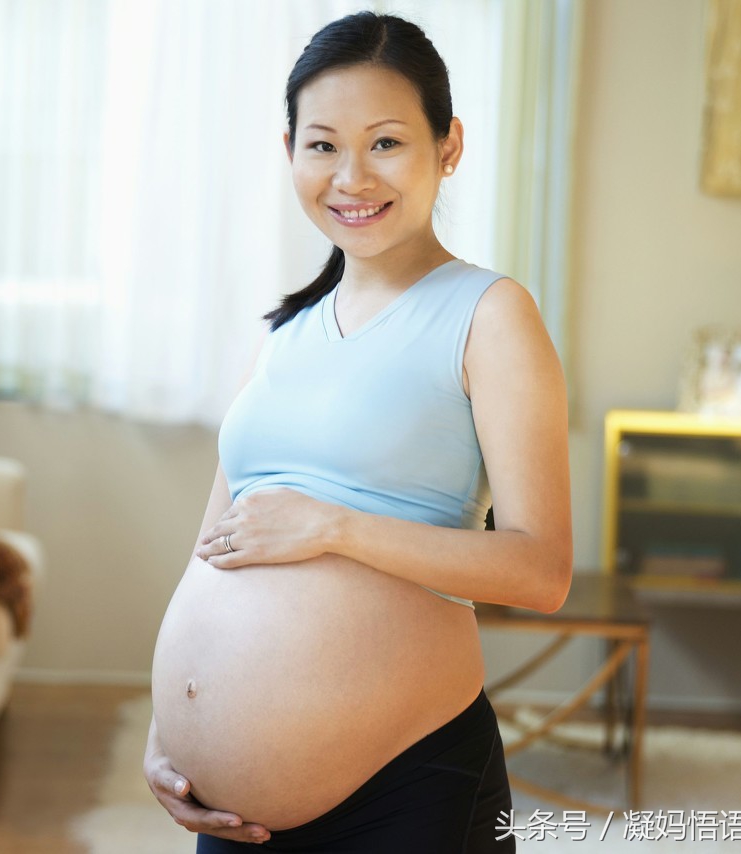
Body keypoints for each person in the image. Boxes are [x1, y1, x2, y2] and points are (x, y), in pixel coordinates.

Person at [143, 11, 571, 853]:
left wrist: (336, 527)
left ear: (448, 147)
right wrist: (173, 730)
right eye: (322, 145)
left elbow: (541, 569)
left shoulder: (489, 314)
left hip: (409, 789)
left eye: (385, 143)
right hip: (232, 812)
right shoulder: (283, 333)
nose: (351, 176)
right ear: (289, 149)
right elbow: (217, 545)